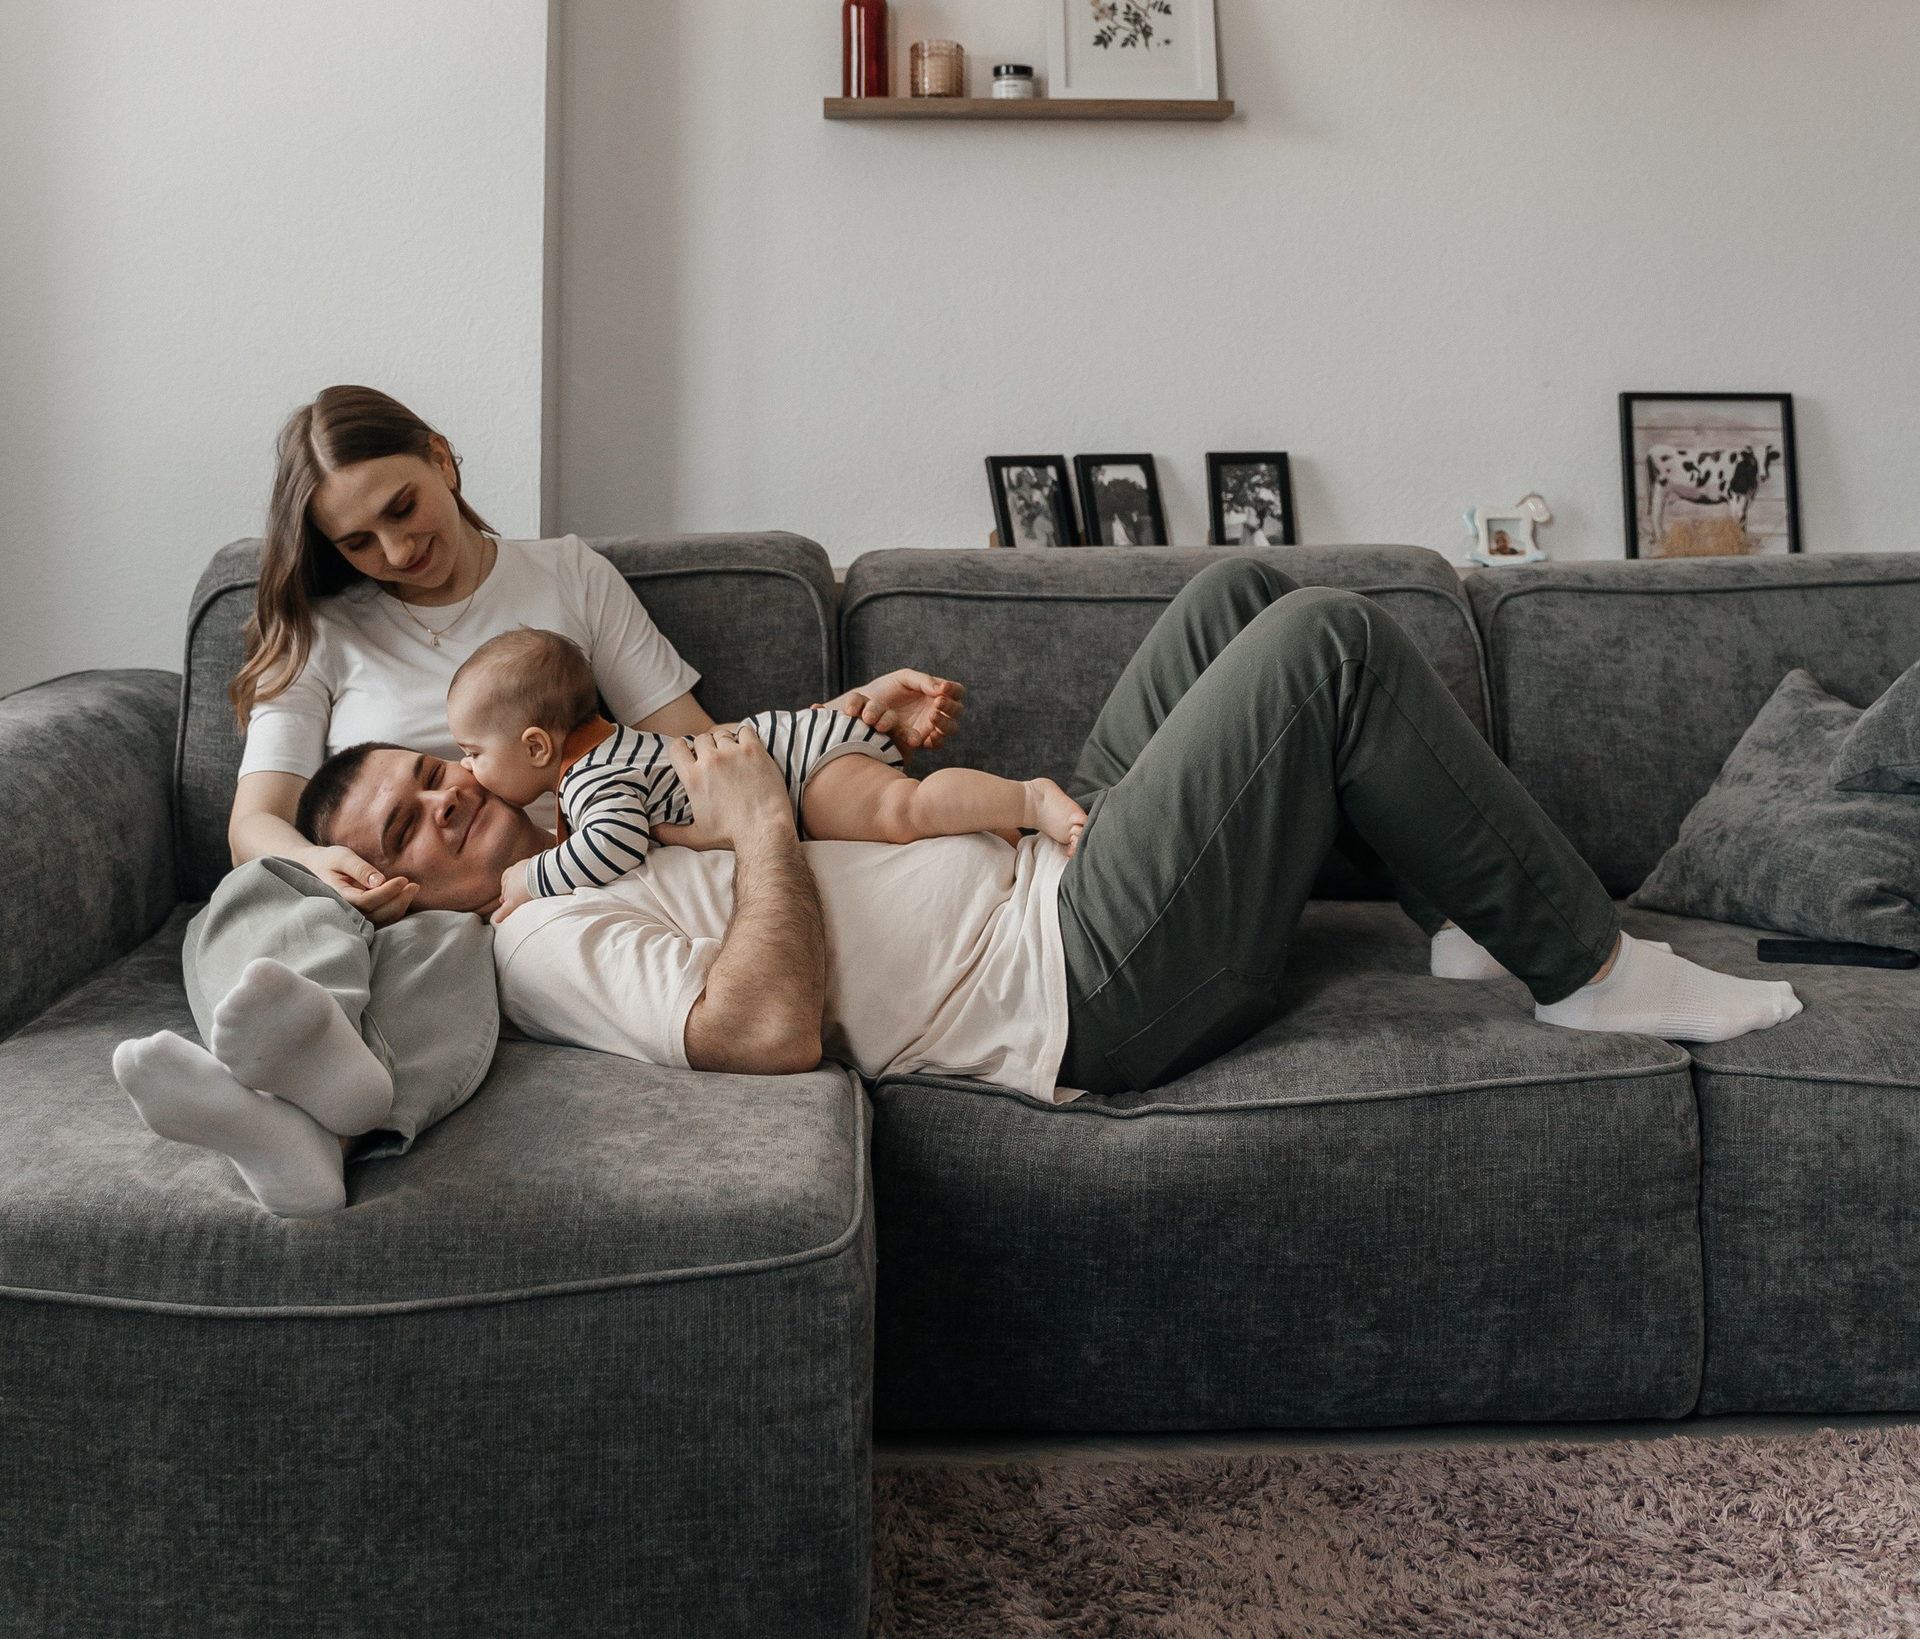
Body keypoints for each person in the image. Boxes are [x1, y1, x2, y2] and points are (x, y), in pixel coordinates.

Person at [319, 565, 1804, 1103]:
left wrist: (850, 716)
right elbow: (760, 1034)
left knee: (1238, 595)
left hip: (1044, 871)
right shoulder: (540, 939)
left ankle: (1467, 911)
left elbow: (757, 759)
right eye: (413, 822)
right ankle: (1589, 968)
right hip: (1079, 979)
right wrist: (765, 826)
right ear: (391, 882)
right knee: (1326, 642)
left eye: (435, 773)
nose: (448, 798)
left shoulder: (592, 801)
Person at [109, 383, 717, 1214]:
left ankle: (316, 1125)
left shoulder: (568, 575)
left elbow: (689, 751)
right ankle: (304, 1115)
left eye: (402, 508)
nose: (396, 552)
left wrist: (834, 732)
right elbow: (254, 823)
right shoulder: (320, 631)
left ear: (441, 459)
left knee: (450, 944)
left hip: (528, 892)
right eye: (358, 541)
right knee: (255, 890)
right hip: (384, 893)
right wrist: (324, 864)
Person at [435, 627, 1089, 916]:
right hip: (789, 747)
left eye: (472, 751)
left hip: (797, 774)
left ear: (537, 747)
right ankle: (1001, 833)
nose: (466, 767)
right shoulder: (619, 746)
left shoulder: (591, 779)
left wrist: (529, 877)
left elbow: (614, 845)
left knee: (903, 810)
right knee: (906, 825)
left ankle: (1028, 800)